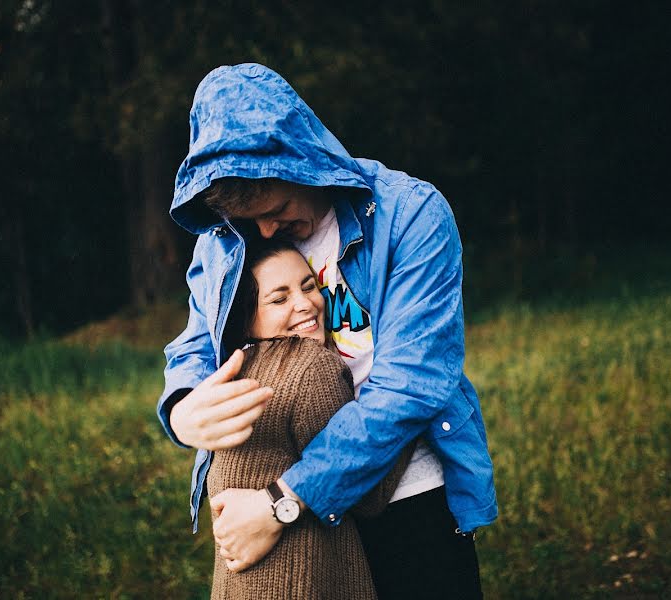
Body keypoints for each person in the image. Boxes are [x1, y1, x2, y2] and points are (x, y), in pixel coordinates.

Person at [157, 63, 497, 599]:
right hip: (280, 520)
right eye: (253, 221)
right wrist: (181, 409)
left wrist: (285, 500)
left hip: (401, 499)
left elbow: (410, 386)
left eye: (278, 209)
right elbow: (195, 344)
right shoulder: (226, 240)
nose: (266, 230)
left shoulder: (409, 214)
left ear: (307, 164)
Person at [207, 237, 411, 599]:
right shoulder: (311, 367)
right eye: (279, 298)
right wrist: (409, 409)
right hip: (301, 582)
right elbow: (366, 495)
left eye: (308, 286)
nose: (305, 304)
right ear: (246, 315)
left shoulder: (235, 371)